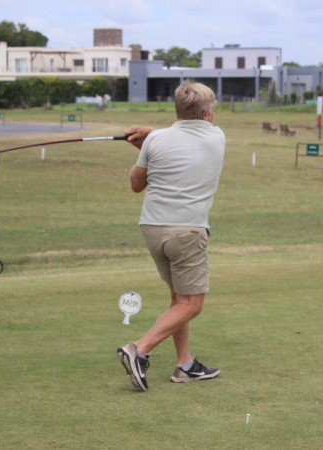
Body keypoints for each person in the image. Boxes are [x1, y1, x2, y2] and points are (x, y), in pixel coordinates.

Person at [117, 80, 225, 392]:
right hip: (186, 231)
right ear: (206, 114)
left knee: (179, 298)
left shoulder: (156, 140)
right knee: (191, 304)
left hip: (152, 229)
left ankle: (185, 365)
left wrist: (148, 142)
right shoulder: (217, 137)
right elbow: (185, 137)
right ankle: (139, 349)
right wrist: (152, 136)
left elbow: (136, 184)